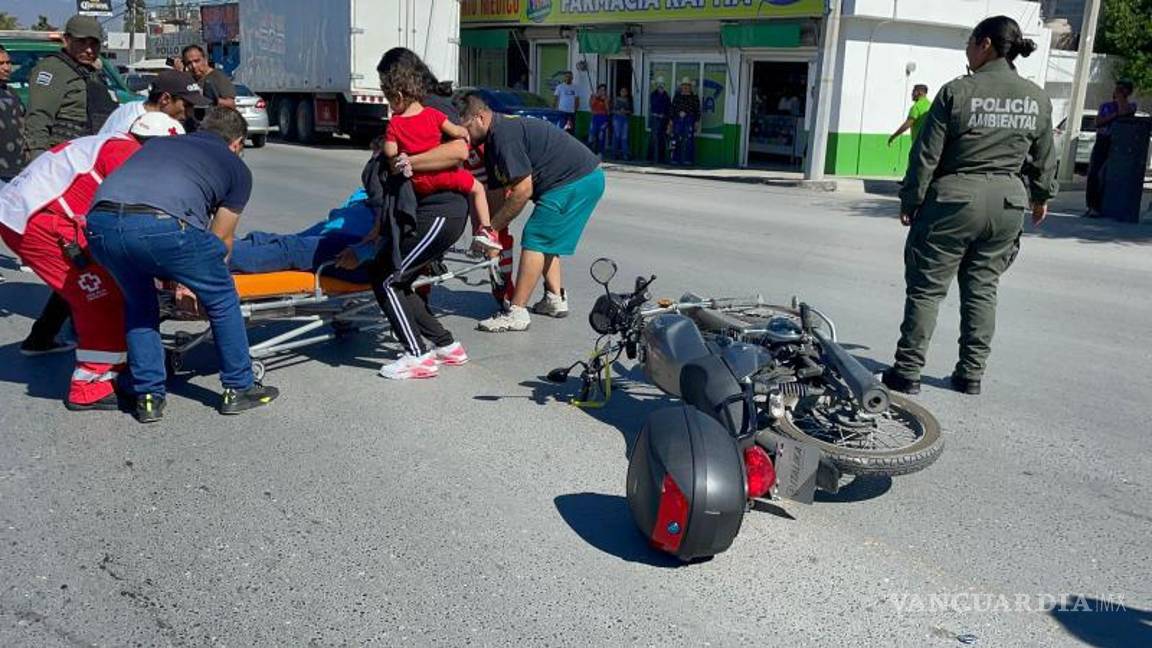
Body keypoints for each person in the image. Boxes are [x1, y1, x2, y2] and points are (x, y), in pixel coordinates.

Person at [882, 15, 1058, 397]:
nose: (967, 49)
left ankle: (908, 371)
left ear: (986, 45)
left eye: (969, 42)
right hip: (1009, 203)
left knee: (927, 289)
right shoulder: (1037, 97)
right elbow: (1045, 158)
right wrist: (1042, 197)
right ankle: (970, 375)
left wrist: (911, 199)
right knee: (983, 288)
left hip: (954, 200)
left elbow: (926, 154)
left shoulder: (956, 92)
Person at [85, 107, 278, 423]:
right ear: (237, 142)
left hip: (100, 224)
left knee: (138, 303)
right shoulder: (236, 168)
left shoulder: (160, 143)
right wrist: (191, 282)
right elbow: (221, 238)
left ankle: (147, 395)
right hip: (161, 226)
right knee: (222, 297)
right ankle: (239, 387)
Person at [0, 113, 185, 411]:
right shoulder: (126, 154)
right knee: (100, 298)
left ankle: (109, 362)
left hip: (33, 215)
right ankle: (90, 385)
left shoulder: (115, 145)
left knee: (103, 287)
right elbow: (138, 218)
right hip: (42, 224)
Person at [352, 47, 475, 380]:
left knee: (388, 278)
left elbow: (459, 150)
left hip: (440, 210)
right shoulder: (412, 111)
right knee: (393, 275)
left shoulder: (430, 107)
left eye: (386, 86)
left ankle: (417, 354)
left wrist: (406, 161)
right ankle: (446, 345)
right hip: (427, 211)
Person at [457, 92, 606, 333]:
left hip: (576, 181)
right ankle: (554, 300)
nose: (464, 137)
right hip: (577, 180)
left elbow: (522, 190)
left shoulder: (503, 136)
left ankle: (517, 312)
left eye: (465, 129)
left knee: (535, 237)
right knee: (547, 238)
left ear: (480, 117)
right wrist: (488, 234)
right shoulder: (494, 139)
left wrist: (490, 230)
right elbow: (496, 193)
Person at [21, 15, 119, 356]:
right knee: (81, 255)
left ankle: (50, 333)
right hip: (63, 175)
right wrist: (40, 173)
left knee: (87, 254)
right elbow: (37, 121)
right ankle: (57, 332)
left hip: (90, 171)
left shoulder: (94, 71)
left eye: (94, 42)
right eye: (82, 42)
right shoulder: (54, 71)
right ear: (66, 40)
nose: (89, 48)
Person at [1084, 81, 1138, 218]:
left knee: (1113, 175)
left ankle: (1110, 205)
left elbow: (1124, 112)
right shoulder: (1105, 106)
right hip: (1103, 140)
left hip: (1119, 143)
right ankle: (1093, 206)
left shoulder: (1131, 106)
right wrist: (1113, 116)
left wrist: (1121, 99)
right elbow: (1098, 122)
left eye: (1122, 90)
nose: (1118, 92)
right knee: (1095, 173)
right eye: (1117, 89)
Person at [99, 70, 210, 135]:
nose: (190, 113)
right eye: (187, 105)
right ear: (165, 99)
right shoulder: (135, 127)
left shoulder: (132, 107)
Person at [0, 44, 28, 183]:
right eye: (1, 64)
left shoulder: (11, 92)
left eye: (8, 62)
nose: (7, 68)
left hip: (17, 171)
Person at [181, 45, 236, 109]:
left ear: (205, 60)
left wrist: (210, 100)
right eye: (189, 63)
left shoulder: (217, 76)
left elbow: (231, 104)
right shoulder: (188, 78)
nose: (194, 66)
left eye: (197, 61)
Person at [670, 79, 700, 165]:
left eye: (687, 85)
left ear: (690, 87)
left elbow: (697, 110)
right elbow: (672, 108)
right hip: (678, 120)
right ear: (681, 86)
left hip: (689, 120)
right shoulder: (677, 96)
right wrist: (671, 120)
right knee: (676, 139)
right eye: (684, 85)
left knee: (689, 140)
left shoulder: (694, 97)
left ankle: (688, 160)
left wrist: (697, 121)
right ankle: (675, 159)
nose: (685, 87)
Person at [648, 78, 671, 163]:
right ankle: (653, 158)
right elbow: (653, 106)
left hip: (663, 120)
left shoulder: (666, 96)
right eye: (659, 85)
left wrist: (664, 116)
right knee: (654, 138)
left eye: (662, 85)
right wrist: (657, 113)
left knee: (662, 139)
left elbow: (668, 108)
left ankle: (661, 158)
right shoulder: (653, 94)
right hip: (655, 119)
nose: (660, 86)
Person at [612, 85, 633, 161]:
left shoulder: (629, 100)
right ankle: (614, 154)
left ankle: (625, 154)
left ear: (627, 93)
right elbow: (612, 110)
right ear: (620, 92)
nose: (623, 92)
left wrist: (625, 111)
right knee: (616, 136)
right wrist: (618, 111)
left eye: (625, 91)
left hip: (625, 119)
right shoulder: (616, 99)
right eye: (622, 91)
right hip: (617, 118)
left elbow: (631, 111)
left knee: (624, 137)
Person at [588, 84, 609, 156]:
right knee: (592, 134)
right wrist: (596, 98)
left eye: (604, 90)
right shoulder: (593, 96)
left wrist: (605, 100)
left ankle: (600, 152)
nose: (602, 91)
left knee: (601, 136)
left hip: (603, 118)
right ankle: (592, 151)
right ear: (598, 90)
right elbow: (591, 106)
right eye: (601, 90)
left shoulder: (606, 98)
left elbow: (608, 110)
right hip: (595, 117)